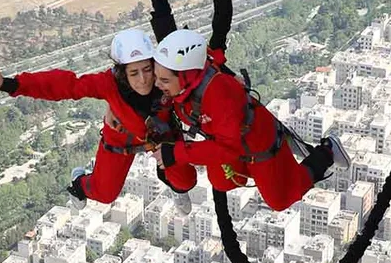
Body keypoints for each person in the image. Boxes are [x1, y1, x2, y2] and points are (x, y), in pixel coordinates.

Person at [0, 28, 197, 212]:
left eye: (147, 69)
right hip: (121, 139)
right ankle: (80, 183)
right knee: (105, 194)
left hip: (162, 137)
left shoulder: (166, 74)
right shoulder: (109, 84)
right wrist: (9, 84)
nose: (144, 79)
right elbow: (65, 85)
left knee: (185, 180)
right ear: (122, 73)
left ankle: (171, 182)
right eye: (134, 73)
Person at [149, 29, 350, 211]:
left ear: (186, 76)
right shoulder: (187, 87)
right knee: (223, 182)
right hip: (227, 137)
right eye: (158, 77)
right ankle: (276, 169)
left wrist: (176, 153)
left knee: (279, 200)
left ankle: (326, 153)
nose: (157, 84)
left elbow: (228, 149)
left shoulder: (220, 95)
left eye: (165, 80)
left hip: (258, 142)